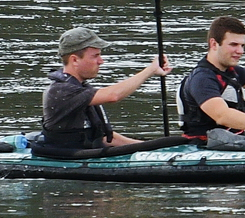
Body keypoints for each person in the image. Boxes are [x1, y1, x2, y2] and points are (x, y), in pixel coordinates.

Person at [42, 27, 172, 148]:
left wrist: (153, 147)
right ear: (74, 60)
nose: (101, 61)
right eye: (95, 56)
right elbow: (113, 96)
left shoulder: (81, 87)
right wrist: (150, 70)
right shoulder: (60, 91)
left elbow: (107, 138)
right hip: (66, 156)